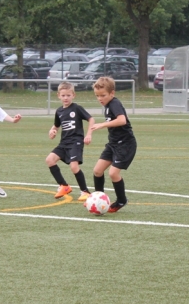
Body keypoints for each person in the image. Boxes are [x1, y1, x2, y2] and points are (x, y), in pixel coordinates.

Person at [87, 76, 136, 213]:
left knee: (113, 173)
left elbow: (122, 120)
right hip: (113, 144)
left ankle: (121, 200)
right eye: (97, 96)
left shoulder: (115, 103)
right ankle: (97, 199)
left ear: (112, 93)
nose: (100, 98)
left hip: (125, 144)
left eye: (103, 95)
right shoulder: (108, 105)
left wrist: (102, 124)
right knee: (97, 171)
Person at [47, 81, 95, 201]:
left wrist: (89, 134)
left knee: (74, 166)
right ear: (59, 96)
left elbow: (91, 119)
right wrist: (52, 131)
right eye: (63, 95)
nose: (66, 98)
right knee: (50, 160)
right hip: (64, 143)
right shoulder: (59, 111)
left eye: (68, 95)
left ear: (73, 95)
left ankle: (85, 191)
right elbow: (56, 126)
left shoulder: (77, 108)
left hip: (76, 142)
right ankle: (64, 186)